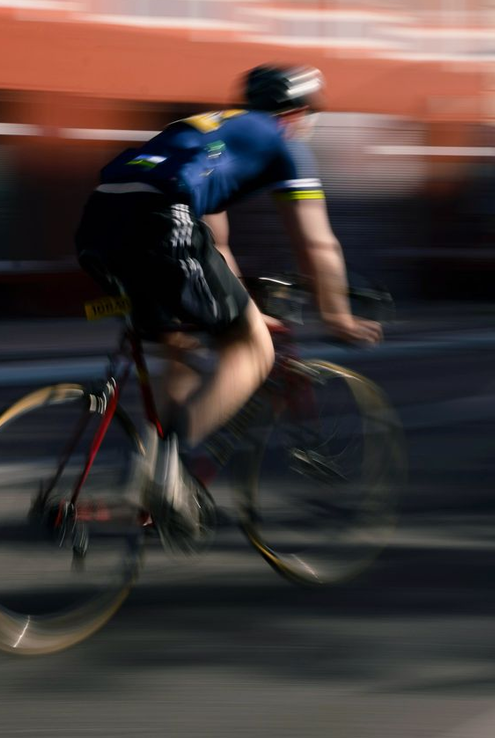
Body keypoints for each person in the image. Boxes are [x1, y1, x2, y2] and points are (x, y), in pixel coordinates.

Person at [75, 65, 382, 545]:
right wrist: (336, 315)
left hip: (99, 220)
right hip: (161, 216)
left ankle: (154, 480)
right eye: (310, 115)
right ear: (296, 112)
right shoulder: (285, 143)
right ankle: (164, 469)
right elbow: (316, 245)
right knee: (253, 351)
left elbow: (213, 245)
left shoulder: (217, 130)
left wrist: (244, 306)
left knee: (179, 339)